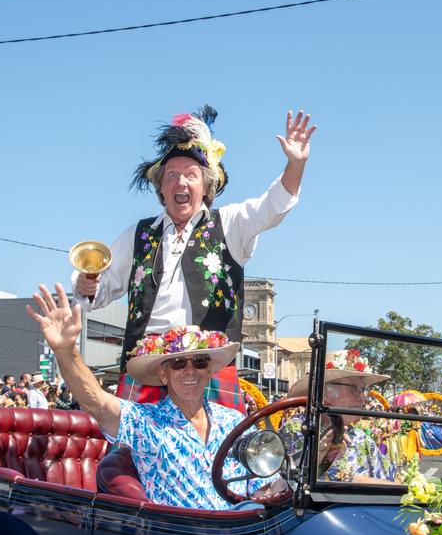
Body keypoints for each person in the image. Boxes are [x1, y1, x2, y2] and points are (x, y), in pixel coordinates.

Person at [71, 107, 316, 413]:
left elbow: (273, 207)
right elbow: (101, 289)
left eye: (190, 175)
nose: (181, 183)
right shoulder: (138, 234)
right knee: (134, 458)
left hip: (208, 364)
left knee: (216, 458)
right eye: (172, 175)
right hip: (147, 367)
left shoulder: (230, 223)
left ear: (206, 186)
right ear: (161, 187)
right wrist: (87, 283)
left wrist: (295, 164)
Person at [27, 285, 282, 510]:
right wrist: (65, 350)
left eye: (200, 361)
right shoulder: (146, 422)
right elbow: (96, 402)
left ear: (210, 371)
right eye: (179, 363)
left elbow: (261, 484)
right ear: (163, 374)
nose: (190, 370)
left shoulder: (234, 421)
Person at [280, 350, 395, 483]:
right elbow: (334, 478)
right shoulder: (301, 427)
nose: (363, 398)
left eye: (364, 390)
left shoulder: (361, 438)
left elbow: (390, 478)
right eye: (355, 388)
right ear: (325, 393)